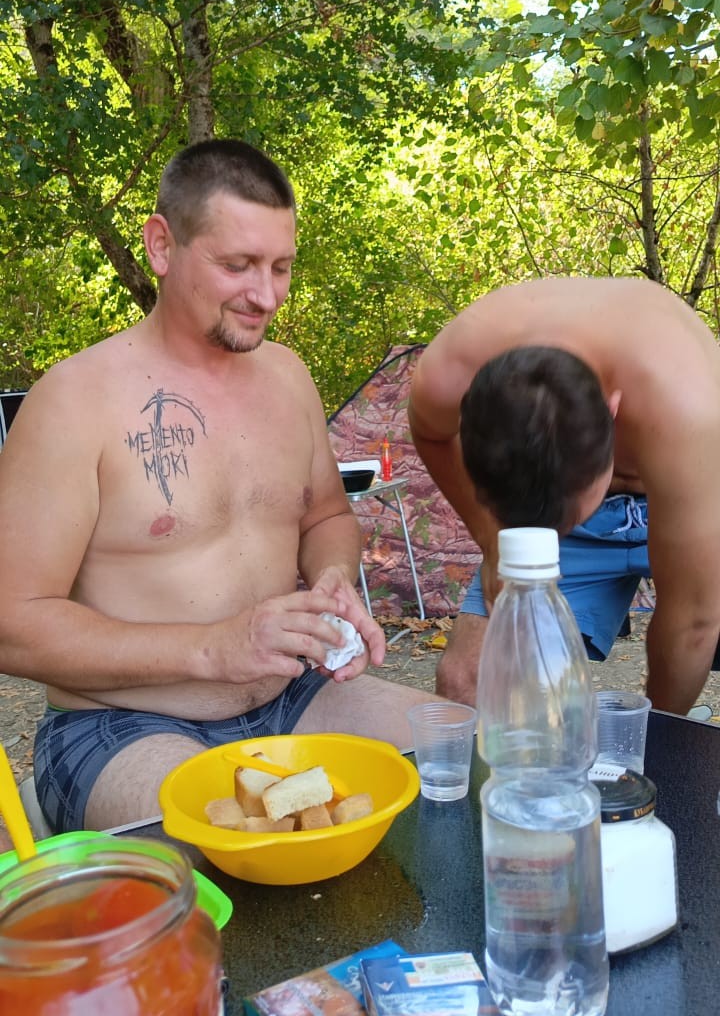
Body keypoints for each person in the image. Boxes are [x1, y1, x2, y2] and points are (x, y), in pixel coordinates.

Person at [0, 138, 430, 839]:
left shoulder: (288, 377)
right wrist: (212, 649)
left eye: (281, 267)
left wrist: (333, 581)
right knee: (232, 847)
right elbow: (11, 625)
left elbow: (326, 516)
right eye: (237, 265)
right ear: (162, 246)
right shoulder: (73, 402)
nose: (267, 295)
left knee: (464, 762)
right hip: (119, 725)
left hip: (292, 697)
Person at [408, 277, 720, 717]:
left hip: (700, 501)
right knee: (468, 682)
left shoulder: (686, 405)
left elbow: (695, 621)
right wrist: (494, 539)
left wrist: (655, 739)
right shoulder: (450, 370)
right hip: (579, 482)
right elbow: (431, 433)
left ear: (612, 412)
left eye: (564, 521)